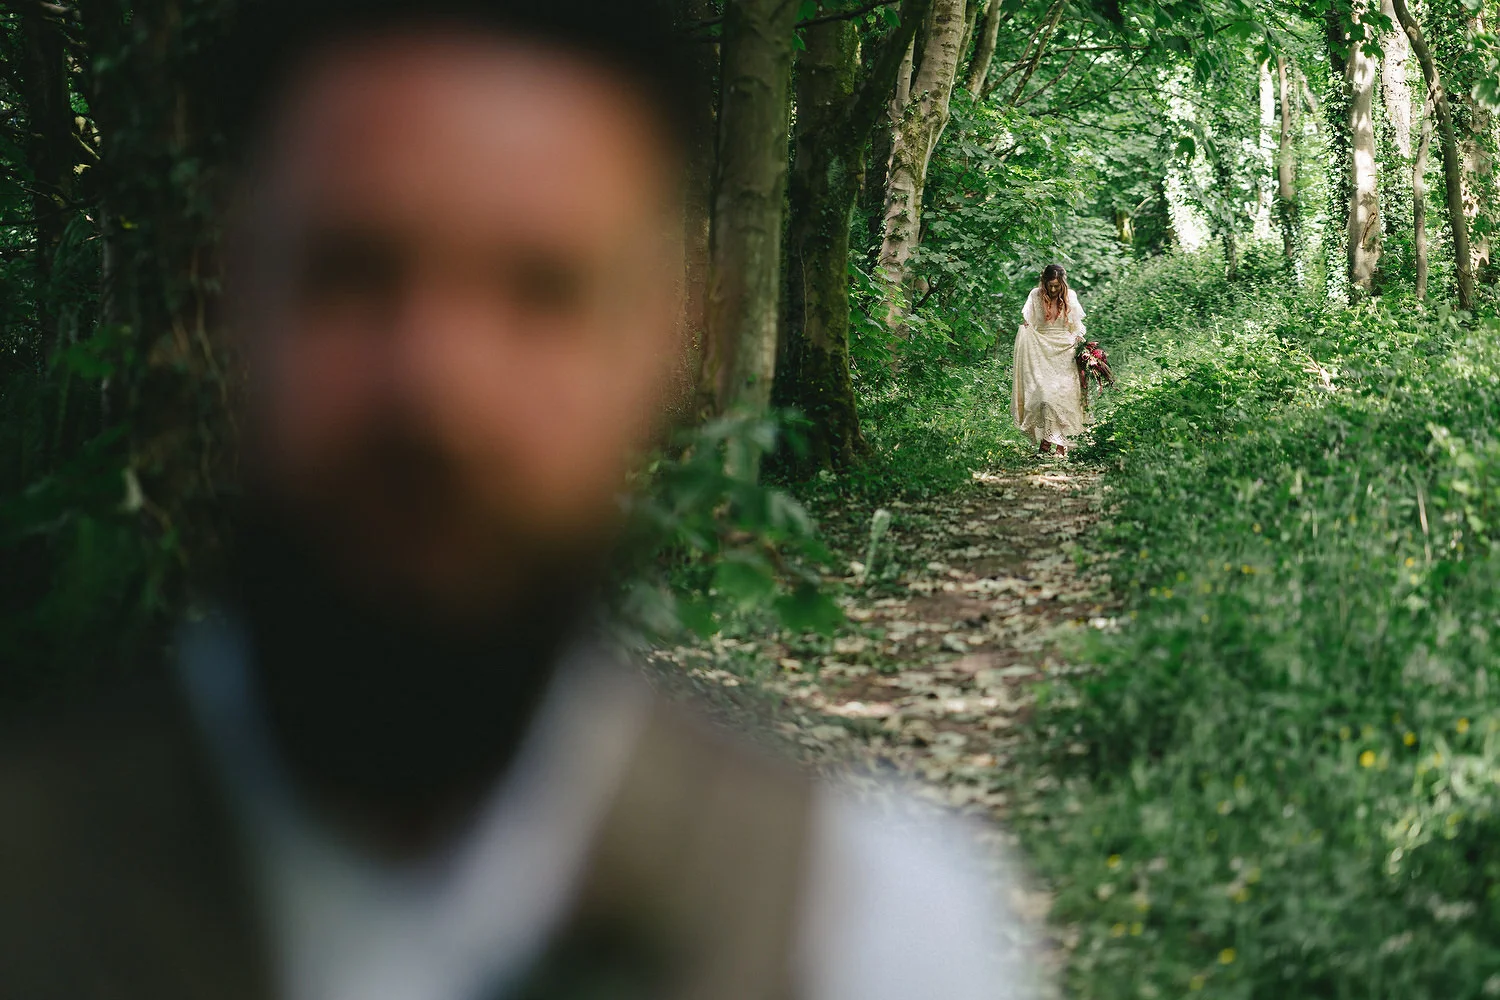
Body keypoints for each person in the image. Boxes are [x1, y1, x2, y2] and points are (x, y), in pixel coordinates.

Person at [0, 2, 1039, 999]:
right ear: (222, 300)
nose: (437, 392)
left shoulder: (865, 935)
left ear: (679, 335)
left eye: (542, 290)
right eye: (353, 274)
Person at [1011, 263, 1087, 458]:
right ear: (1043, 282)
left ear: (1062, 283)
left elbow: (1077, 326)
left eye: (1057, 286)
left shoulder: (1071, 296)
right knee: (1045, 396)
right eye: (1050, 285)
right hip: (1041, 350)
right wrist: (1026, 330)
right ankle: (1049, 441)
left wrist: (1079, 338)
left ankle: (1056, 445)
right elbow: (1030, 323)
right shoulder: (1035, 295)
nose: (1053, 290)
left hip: (1065, 350)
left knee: (1063, 397)